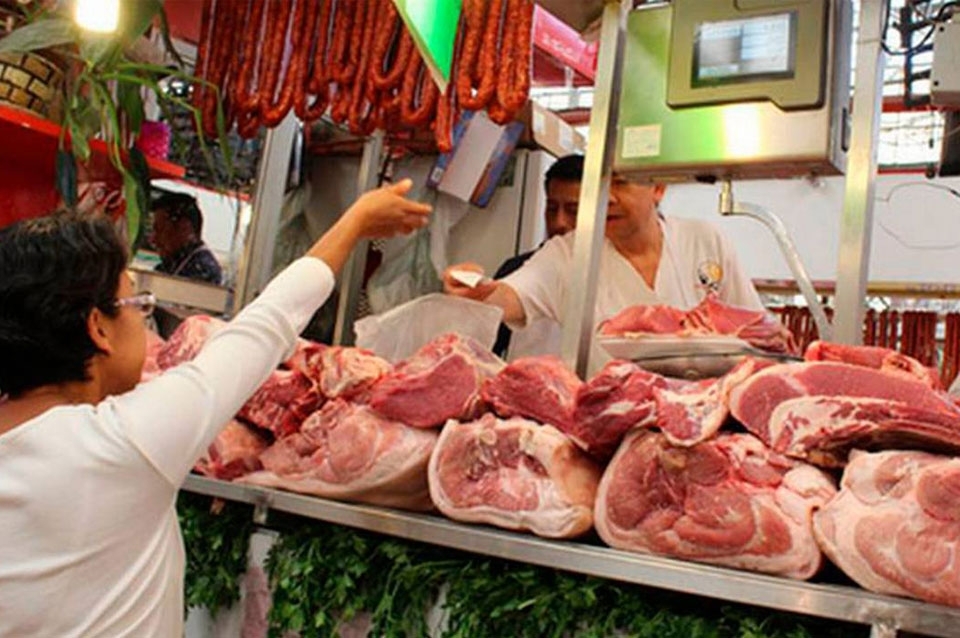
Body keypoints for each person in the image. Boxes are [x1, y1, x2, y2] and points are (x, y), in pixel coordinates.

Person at [0, 179, 430, 637]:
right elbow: (266, 325)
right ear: (98, 329)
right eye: (137, 303)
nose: (144, 319)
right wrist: (355, 222)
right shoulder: (121, 445)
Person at [444, 171, 764, 372]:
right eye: (598, 183)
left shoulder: (704, 239)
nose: (607, 197)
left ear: (658, 188)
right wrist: (479, 290)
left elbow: (755, 330)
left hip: (702, 421)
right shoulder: (570, 252)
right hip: (612, 426)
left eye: (621, 183)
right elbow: (512, 295)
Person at [492, 154, 582, 358]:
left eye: (573, 211)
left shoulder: (607, 273)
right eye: (552, 209)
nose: (559, 222)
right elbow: (488, 349)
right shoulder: (516, 268)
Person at [150, 191, 224, 285]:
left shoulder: (201, 271)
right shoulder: (171, 265)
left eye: (159, 230)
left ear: (184, 228)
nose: (153, 240)